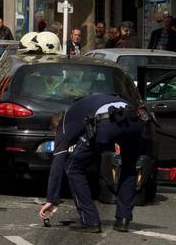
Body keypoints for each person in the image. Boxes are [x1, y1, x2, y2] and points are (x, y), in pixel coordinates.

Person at [39, 94, 152, 233]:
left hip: (107, 123)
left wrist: (51, 199)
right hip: (134, 122)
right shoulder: (92, 102)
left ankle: (90, 221)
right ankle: (123, 220)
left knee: (73, 168)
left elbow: (59, 160)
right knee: (129, 168)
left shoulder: (66, 122)